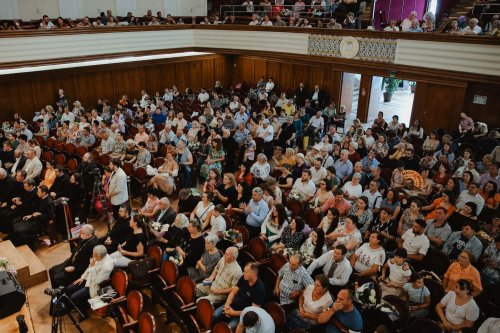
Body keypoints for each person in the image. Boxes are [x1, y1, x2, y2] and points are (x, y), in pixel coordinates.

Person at [65, 245, 114, 319]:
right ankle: (79, 305)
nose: (92, 256)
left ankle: (83, 314)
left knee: (74, 297)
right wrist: (82, 277)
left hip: (95, 286)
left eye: (94, 255)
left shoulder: (106, 267)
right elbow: (89, 268)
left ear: (99, 256)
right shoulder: (99, 256)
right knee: (69, 288)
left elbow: (97, 281)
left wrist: (92, 267)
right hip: (89, 279)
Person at [214, 262, 266, 330]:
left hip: (241, 315)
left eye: (245, 272)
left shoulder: (260, 289)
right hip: (230, 306)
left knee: (227, 329)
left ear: (253, 274)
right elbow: (233, 292)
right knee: (213, 316)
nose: (243, 273)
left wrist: (233, 313)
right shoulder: (243, 278)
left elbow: (252, 312)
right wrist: (227, 305)